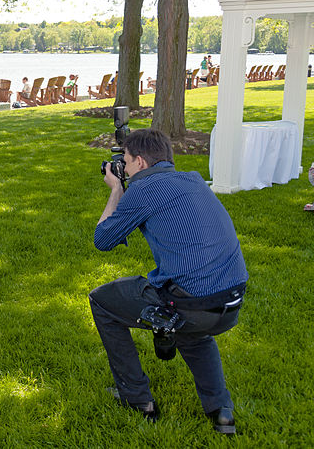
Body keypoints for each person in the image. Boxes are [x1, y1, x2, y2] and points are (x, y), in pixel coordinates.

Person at [90, 128, 248, 434]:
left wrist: (115, 189)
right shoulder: (193, 179)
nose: (123, 165)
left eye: (125, 159)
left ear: (140, 162)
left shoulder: (142, 190)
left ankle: (137, 399)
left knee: (102, 300)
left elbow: (103, 239)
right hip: (231, 301)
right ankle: (221, 412)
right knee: (195, 332)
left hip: (192, 305)